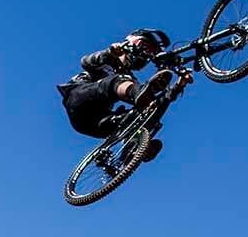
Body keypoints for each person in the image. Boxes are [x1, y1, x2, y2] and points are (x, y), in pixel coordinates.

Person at [57, 28, 178, 162]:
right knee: (119, 81)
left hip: (95, 123)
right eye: (145, 47)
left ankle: (131, 150)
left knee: (145, 111)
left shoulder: (129, 79)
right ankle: (139, 101)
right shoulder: (109, 60)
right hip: (78, 99)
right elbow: (86, 61)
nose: (146, 54)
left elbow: (147, 95)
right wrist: (111, 52)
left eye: (150, 51)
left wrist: (176, 87)